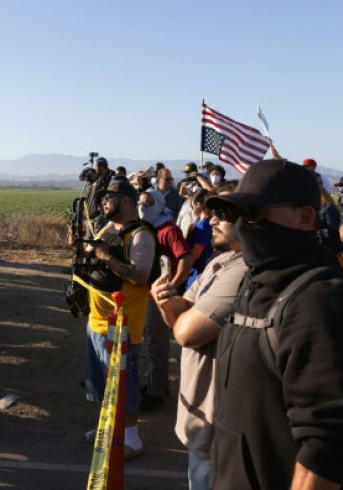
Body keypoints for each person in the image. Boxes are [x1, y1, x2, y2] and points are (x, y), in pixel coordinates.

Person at [207, 158, 343, 489]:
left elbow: (326, 446)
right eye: (239, 215)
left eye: (255, 213)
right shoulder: (256, 282)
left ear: (305, 217)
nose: (244, 225)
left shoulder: (322, 300)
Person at [149, 185, 246, 490]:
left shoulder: (244, 269)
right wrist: (166, 301)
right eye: (211, 212)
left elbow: (187, 333)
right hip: (199, 414)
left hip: (219, 421)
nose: (211, 220)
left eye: (222, 214)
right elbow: (181, 309)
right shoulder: (219, 262)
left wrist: (177, 316)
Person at [72, 176, 154, 460]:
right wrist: (80, 243)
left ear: (127, 201)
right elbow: (91, 250)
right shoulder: (109, 227)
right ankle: (109, 429)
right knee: (103, 384)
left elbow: (141, 274)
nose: (104, 201)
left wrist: (107, 257)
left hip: (122, 326)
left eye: (110, 197)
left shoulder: (141, 234)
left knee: (124, 384)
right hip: (97, 321)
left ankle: (131, 438)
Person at [136, 188, 192, 411]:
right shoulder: (146, 229)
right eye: (140, 202)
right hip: (147, 294)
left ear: (159, 205)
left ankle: (156, 393)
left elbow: (186, 258)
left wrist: (173, 285)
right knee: (151, 342)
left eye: (148, 203)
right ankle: (155, 384)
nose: (143, 208)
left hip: (159, 297)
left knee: (156, 344)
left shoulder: (168, 230)